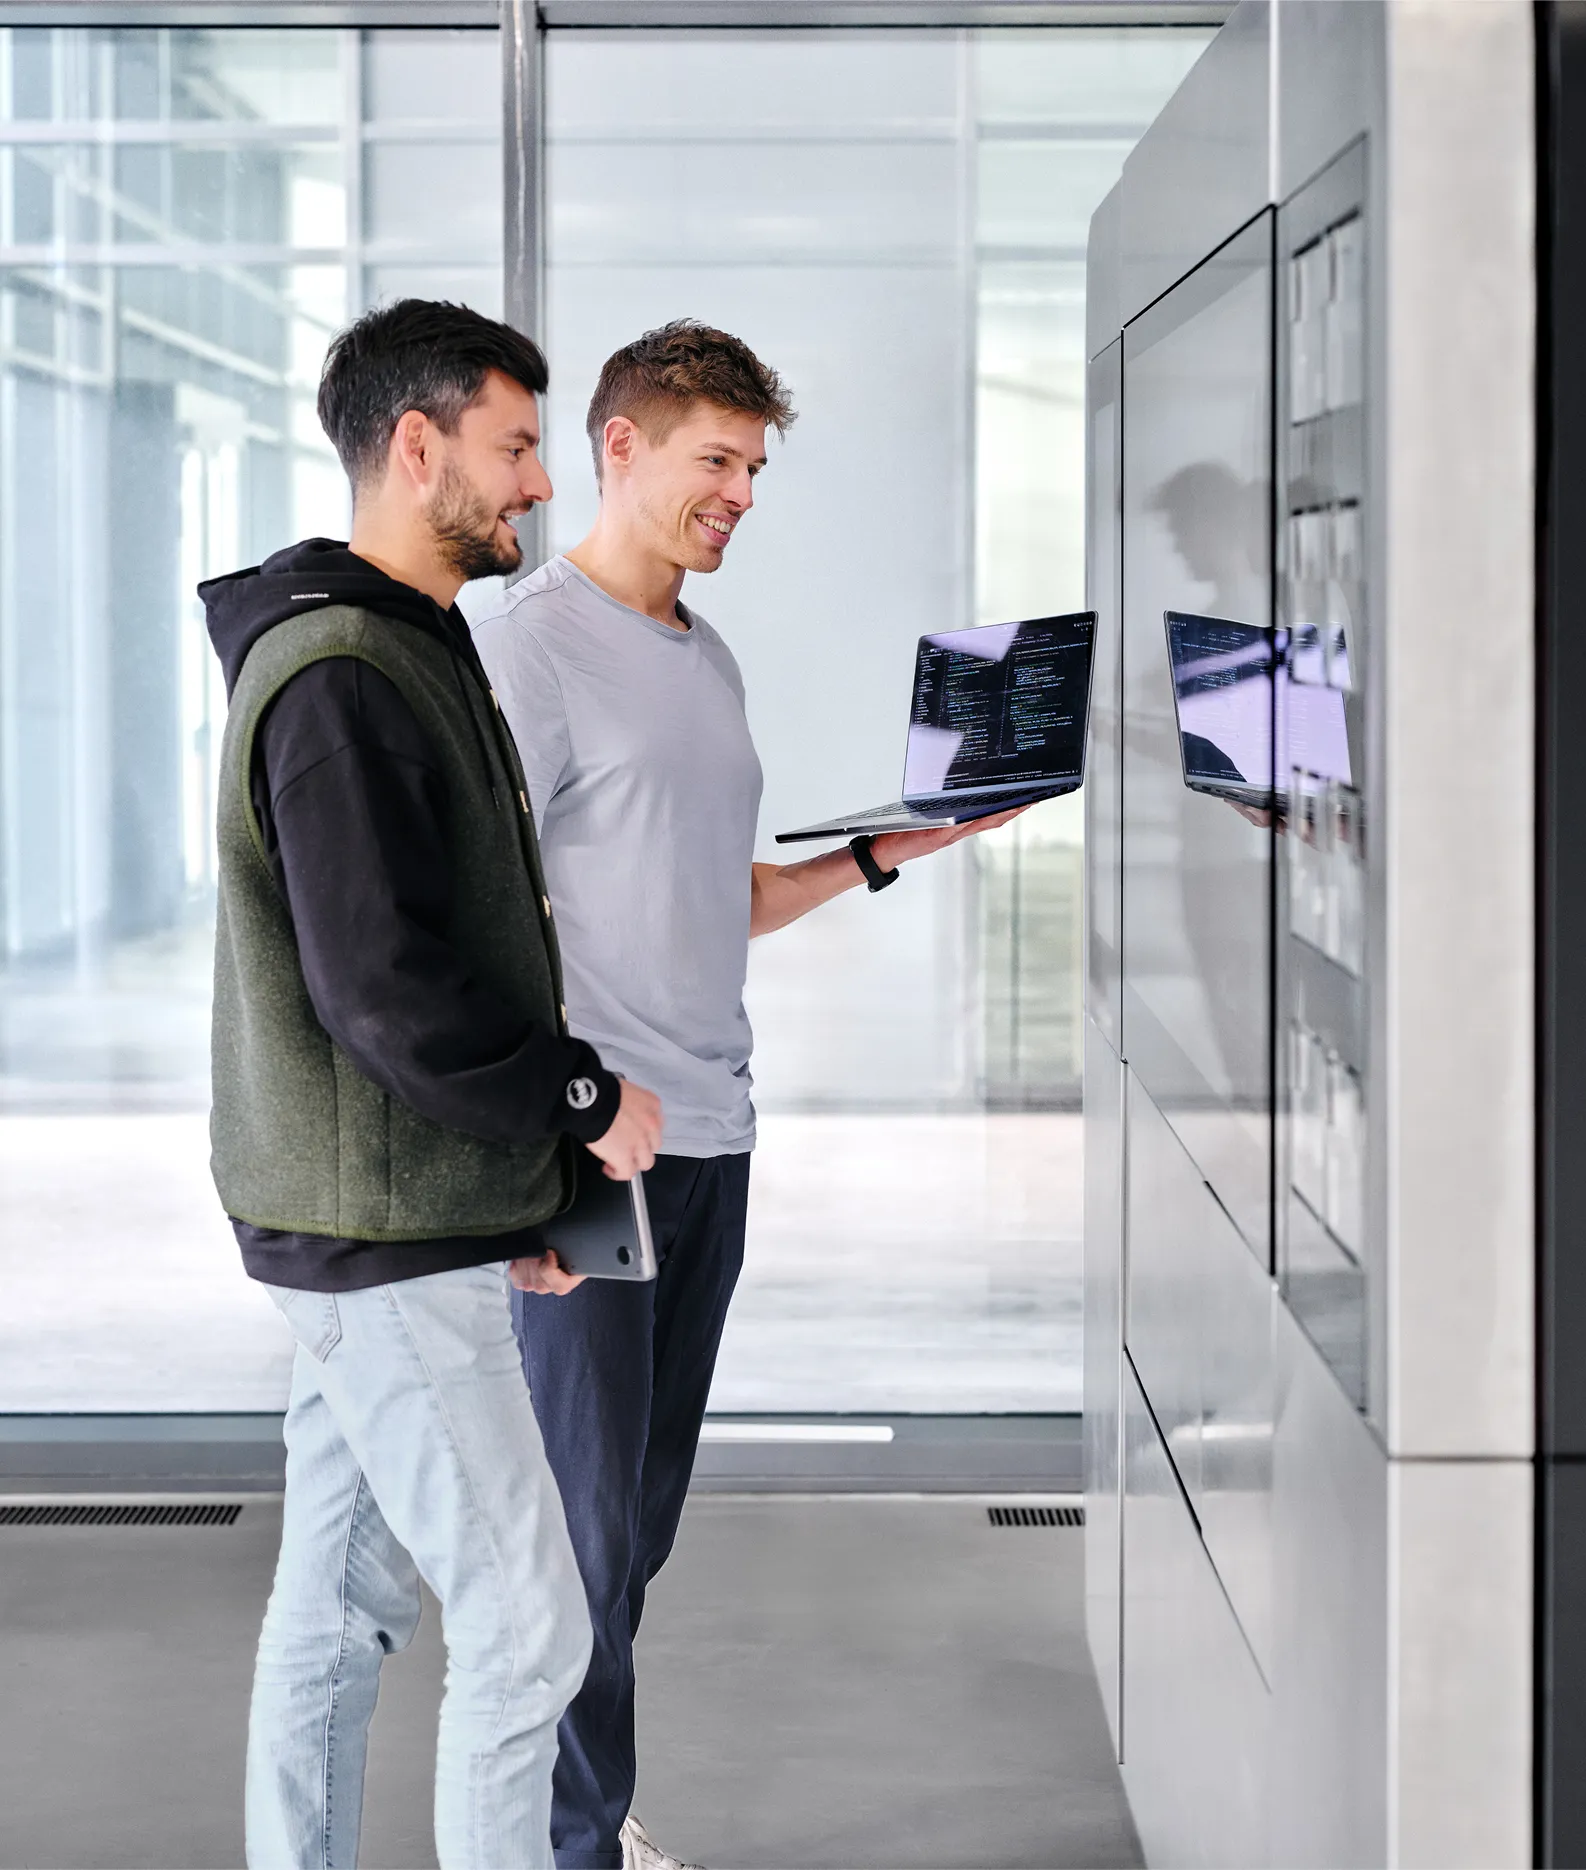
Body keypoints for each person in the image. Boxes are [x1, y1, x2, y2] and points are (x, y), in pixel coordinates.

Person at [472, 321, 1019, 1870]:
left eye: (756, 466)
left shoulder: (703, 655)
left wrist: (884, 851)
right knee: (577, 1540)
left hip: (712, 1132)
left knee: (634, 1528)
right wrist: (546, 1128)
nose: (742, 494)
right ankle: (558, 1847)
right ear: (621, 448)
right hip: (594, 1151)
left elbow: (722, 895)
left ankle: (570, 1815)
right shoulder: (534, 648)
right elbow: (480, 915)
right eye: (716, 459)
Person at [204, 298, 663, 1870]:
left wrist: (523, 1190)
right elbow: (386, 990)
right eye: (517, 444)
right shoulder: (341, 673)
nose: (540, 482)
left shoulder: (404, 641)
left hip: (393, 1214)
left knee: (338, 1608)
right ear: (419, 448)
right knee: (531, 1626)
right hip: (379, 1233)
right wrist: (580, 1106)